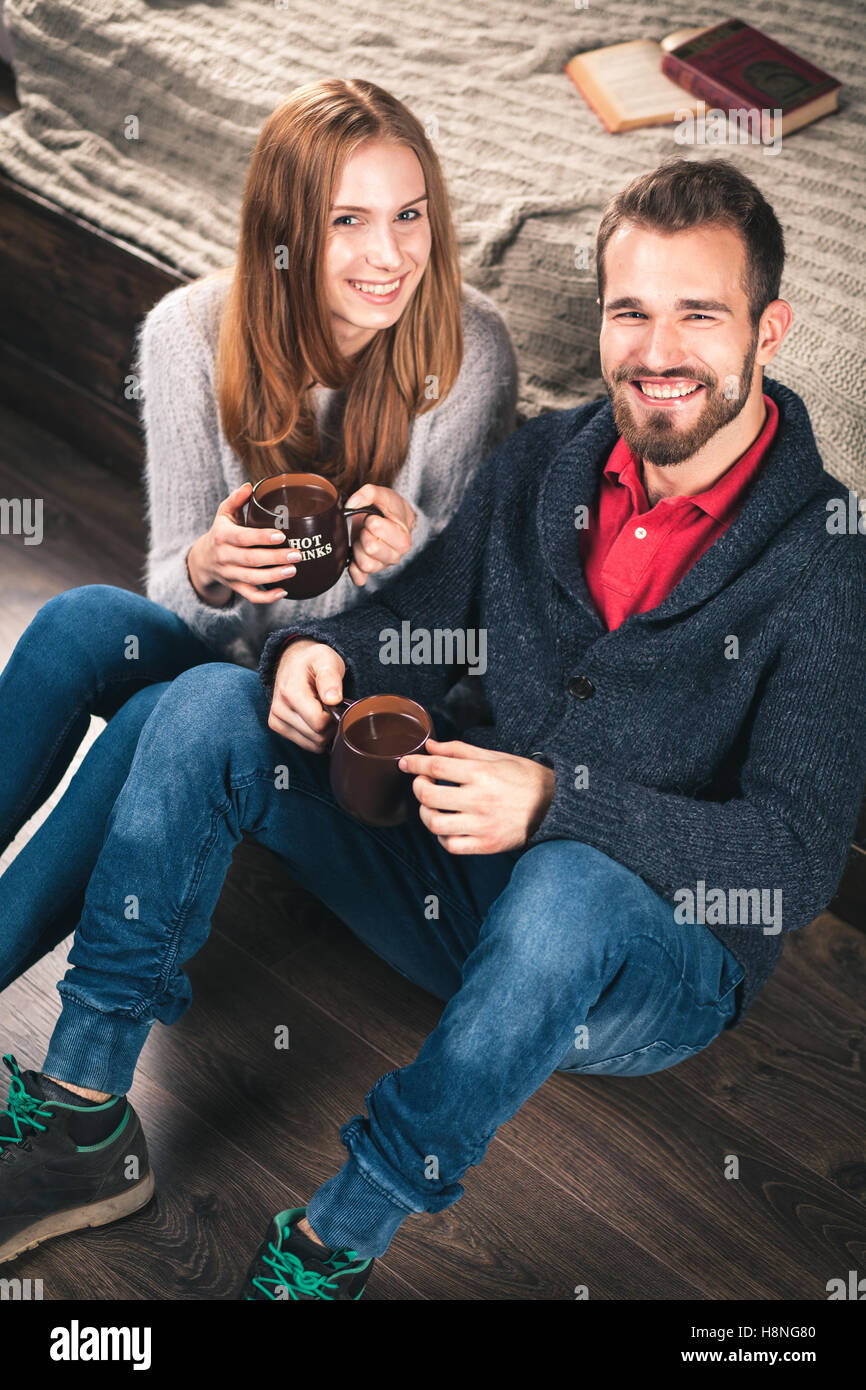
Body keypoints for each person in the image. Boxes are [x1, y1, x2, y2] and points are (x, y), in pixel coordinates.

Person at [2, 158, 863, 1301]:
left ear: (768, 328)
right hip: (450, 878)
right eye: (629, 311)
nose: (656, 352)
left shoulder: (827, 563)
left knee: (572, 886)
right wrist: (330, 650)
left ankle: (335, 1240)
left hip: (638, 961)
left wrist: (562, 804)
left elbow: (794, 861)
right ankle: (81, 1116)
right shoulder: (551, 455)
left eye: (696, 314)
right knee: (214, 700)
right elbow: (418, 611)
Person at [0, 77, 517, 990]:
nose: (390, 256)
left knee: (179, 706)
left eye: (409, 215)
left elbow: (470, 640)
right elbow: (168, 587)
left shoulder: (472, 351)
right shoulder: (188, 334)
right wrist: (205, 571)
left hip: (339, 708)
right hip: (233, 666)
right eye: (346, 222)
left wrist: (417, 558)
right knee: (79, 618)